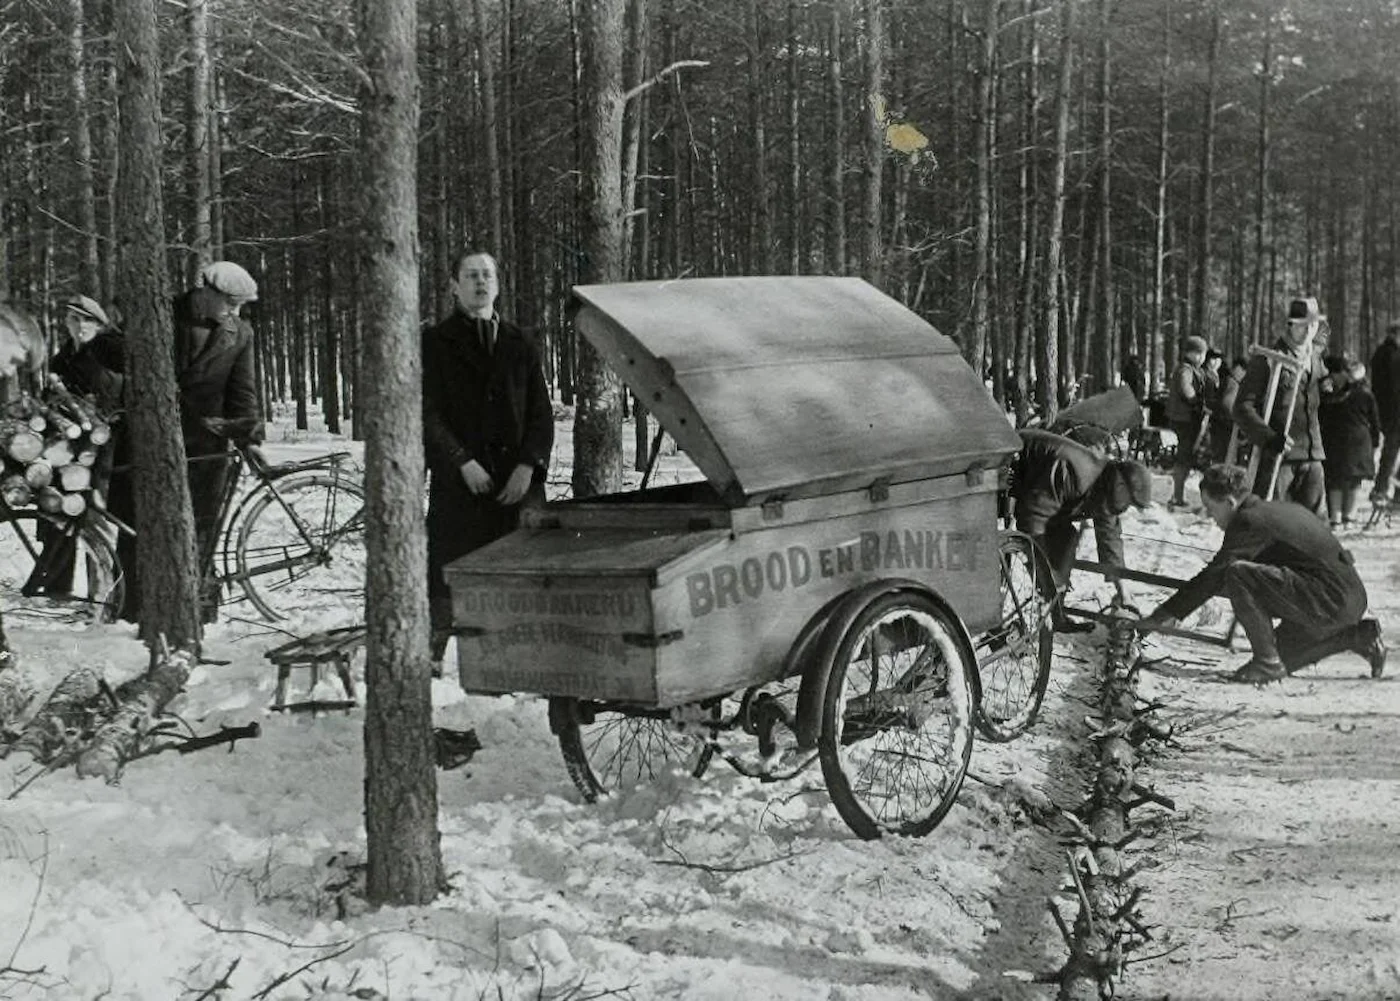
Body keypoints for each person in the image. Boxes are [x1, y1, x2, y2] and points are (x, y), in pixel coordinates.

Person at [422, 250, 554, 667]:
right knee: (447, 572)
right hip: (460, 485)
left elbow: (541, 413)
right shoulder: (434, 343)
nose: (480, 282)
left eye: (487, 275)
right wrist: (461, 461)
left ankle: (521, 661)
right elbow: (428, 414)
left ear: (497, 285)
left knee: (522, 571)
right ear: (454, 286)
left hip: (515, 485)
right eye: (471, 275)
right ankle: (434, 660)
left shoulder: (520, 342)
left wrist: (528, 466)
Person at [1141, 463, 1386, 683]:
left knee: (1237, 573)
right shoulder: (1273, 510)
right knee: (1284, 657)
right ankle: (1357, 636)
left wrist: (1161, 616)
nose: (1210, 517)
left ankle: (1266, 662)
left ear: (1229, 502)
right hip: (1346, 599)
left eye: (1210, 508)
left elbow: (1215, 575)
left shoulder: (1249, 521)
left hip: (1332, 600)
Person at [148, 260, 262, 623]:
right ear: (206, 291)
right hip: (156, 439)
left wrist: (248, 438)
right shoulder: (162, 314)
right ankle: (139, 610)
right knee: (151, 526)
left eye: (240, 305)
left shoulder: (239, 333)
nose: (234, 311)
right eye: (230, 302)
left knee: (203, 528)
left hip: (208, 445)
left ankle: (199, 608)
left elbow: (242, 391)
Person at [1010, 428, 1154, 633]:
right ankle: (1049, 606)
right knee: (1049, 559)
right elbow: (1033, 517)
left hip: (1043, 498)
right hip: (1011, 465)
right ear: (1121, 485)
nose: (1126, 507)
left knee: (1066, 539)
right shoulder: (1077, 472)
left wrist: (1123, 590)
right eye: (1129, 502)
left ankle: (1055, 614)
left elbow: (1110, 538)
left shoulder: (1108, 486)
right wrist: (1046, 570)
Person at [1233, 296, 1327, 515]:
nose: (1309, 331)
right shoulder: (1269, 359)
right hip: (1279, 457)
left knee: (1316, 525)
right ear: (1290, 325)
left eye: (1313, 325)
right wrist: (1268, 438)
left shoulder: (1316, 360)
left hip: (1312, 454)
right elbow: (1242, 407)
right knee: (1273, 520)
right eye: (1302, 325)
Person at [1318, 355, 1380, 528]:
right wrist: (1375, 441)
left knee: (1335, 480)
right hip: (1359, 441)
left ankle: (1336, 517)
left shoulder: (1328, 395)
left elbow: (1322, 417)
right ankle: (1349, 516)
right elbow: (1375, 421)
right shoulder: (1365, 394)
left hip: (1334, 440)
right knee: (1354, 480)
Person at [1165, 335, 1208, 509]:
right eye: (1201, 354)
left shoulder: (1189, 369)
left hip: (1184, 418)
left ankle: (1178, 494)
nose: (1202, 358)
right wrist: (1198, 401)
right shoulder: (1185, 370)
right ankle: (1178, 495)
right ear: (1193, 354)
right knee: (1184, 457)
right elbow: (1186, 389)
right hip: (1185, 419)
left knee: (1186, 457)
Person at [1371, 320, 1400, 509]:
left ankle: (1388, 490)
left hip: (1390, 412)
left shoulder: (1383, 352)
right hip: (1394, 412)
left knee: (1390, 453)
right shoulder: (1390, 353)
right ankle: (1381, 490)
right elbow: (1390, 387)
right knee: (1390, 453)